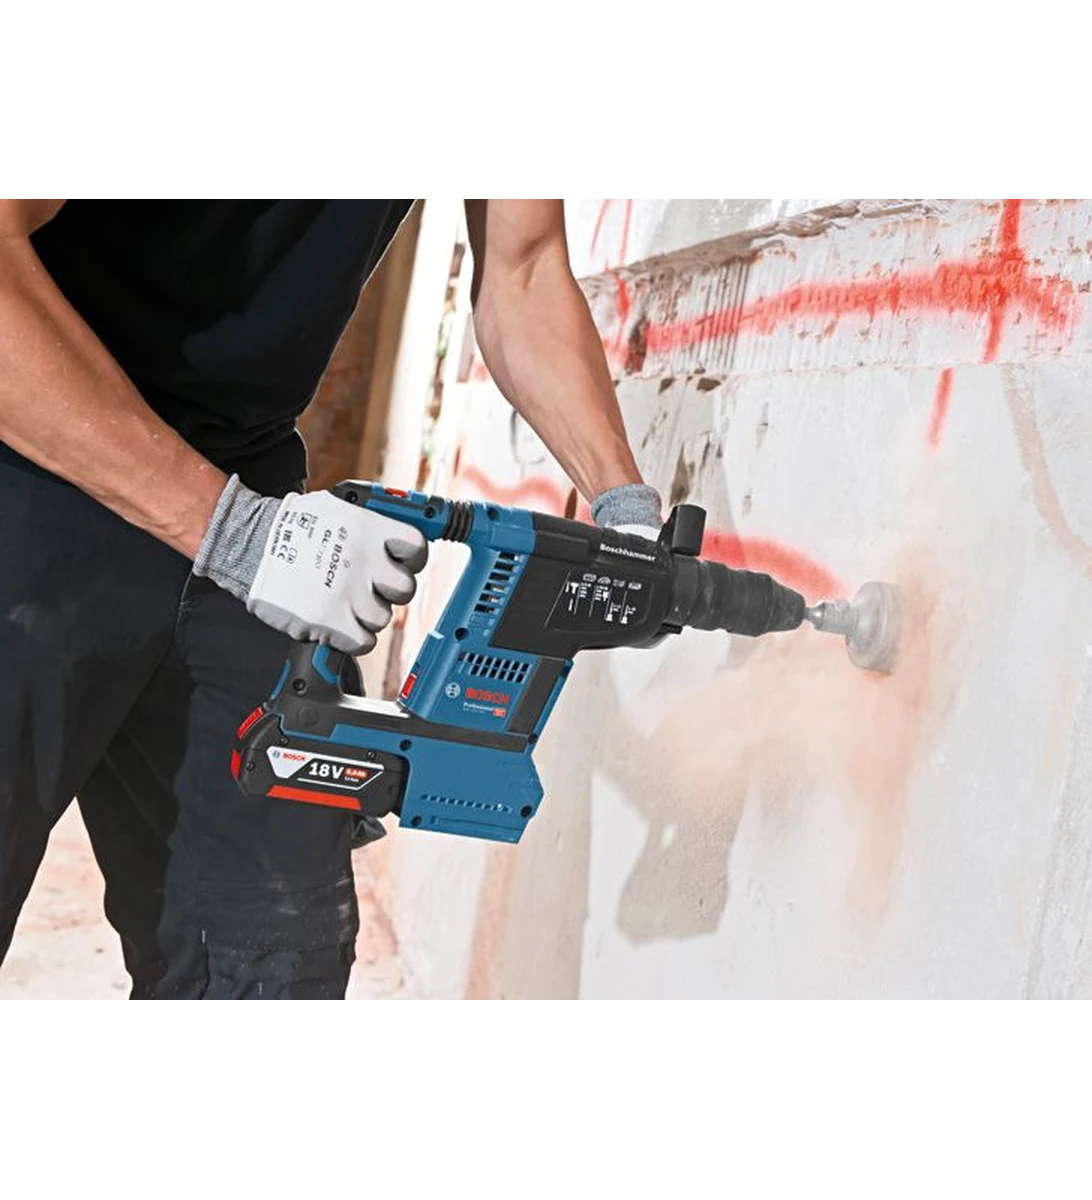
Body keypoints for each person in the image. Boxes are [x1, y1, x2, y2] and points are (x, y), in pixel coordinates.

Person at [0, 194, 662, 999]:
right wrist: (237, 535)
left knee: (273, 959)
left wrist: (624, 507)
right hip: (33, 456)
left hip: (246, 484)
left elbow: (522, 270)